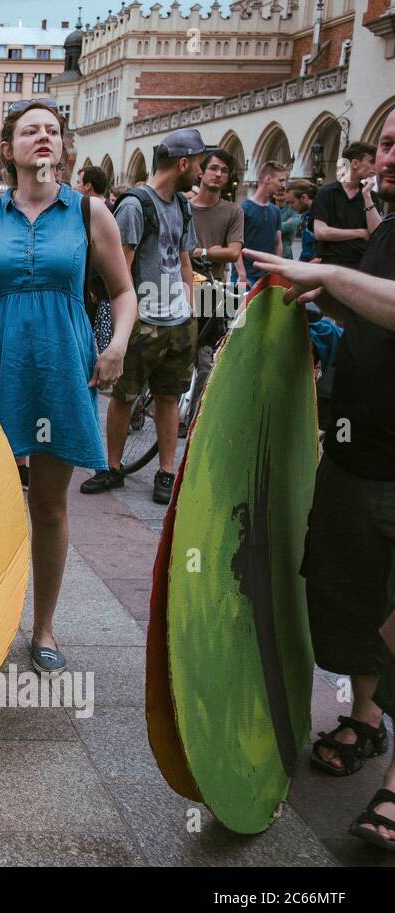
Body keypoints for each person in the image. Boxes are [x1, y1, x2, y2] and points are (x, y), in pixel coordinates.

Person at [0, 100, 136, 674]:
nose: (43, 137)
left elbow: (123, 292)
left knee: (47, 505)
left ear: (64, 146)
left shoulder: (89, 212)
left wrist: (117, 344)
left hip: (60, 364)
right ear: (9, 149)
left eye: (52, 130)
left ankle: (44, 626)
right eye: (30, 130)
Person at [244, 105, 395, 852]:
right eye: (388, 142)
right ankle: (366, 719)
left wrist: (329, 271)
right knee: (350, 598)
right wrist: (325, 315)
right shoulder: (385, 230)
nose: (389, 155)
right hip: (354, 447)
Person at [81, 127, 204, 506]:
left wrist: (190, 306)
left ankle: (166, 471)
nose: (200, 172)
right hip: (144, 321)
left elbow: (184, 257)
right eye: (198, 164)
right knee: (124, 395)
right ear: (182, 163)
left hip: (177, 322)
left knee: (169, 398)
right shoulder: (135, 206)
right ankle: (113, 466)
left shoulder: (182, 205)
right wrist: (125, 325)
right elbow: (122, 270)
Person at [187, 148, 245, 404]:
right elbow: (177, 249)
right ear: (201, 171)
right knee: (170, 352)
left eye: (224, 170)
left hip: (214, 290)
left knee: (205, 358)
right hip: (178, 286)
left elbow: (233, 252)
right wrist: (213, 252)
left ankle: (191, 420)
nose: (219, 174)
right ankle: (143, 406)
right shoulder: (184, 208)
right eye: (214, 168)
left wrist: (199, 251)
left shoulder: (233, 211)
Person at [312, 141, 381, 270]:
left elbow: (377, 233)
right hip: (331, 265)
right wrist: (360, 233)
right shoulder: (327, 193)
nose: (375, 167)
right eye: (372, 162)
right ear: (355, 163)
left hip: (362, 266)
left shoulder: (371, 196)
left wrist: (366, 195)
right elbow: (321, 232)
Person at [239, 160, 286, 287]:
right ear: (268, 179)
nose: (283, 185)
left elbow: (278, 242)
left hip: (267, 277)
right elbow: (235, 244)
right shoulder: (244, 208)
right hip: (246, 277)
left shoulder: (275, 210)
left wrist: (277, 270)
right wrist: (241, 274)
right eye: (281, 180)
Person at [286, 181, 316, 261]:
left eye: (292, 202)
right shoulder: (305, 216)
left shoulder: (321, 215)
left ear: (304, 198)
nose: (290, 206)